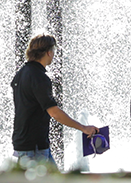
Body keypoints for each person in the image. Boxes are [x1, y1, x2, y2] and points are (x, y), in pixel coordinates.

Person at [12, 34, 97, 166]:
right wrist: (83, 128)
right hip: (35, 147)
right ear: (48, 52)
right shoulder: (39, 77)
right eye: (53, 51)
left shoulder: (21, 73)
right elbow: (54, 112)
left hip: (24, 142)